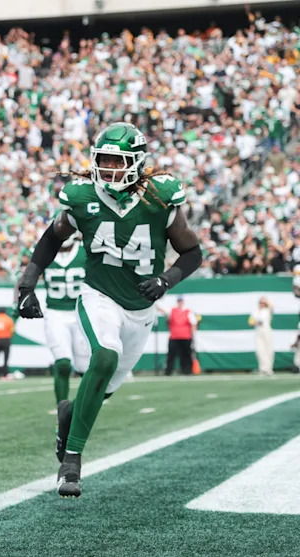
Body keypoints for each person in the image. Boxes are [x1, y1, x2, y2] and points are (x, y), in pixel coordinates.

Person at [17, 122, 202, 498]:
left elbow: (192, 252)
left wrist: (166, 280)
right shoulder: (82, 196)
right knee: (103, 356)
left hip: (141, 309)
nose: (108, 169)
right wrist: (27, 283)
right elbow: (52, 238)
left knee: (102, 389)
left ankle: (69, 414)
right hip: (98, 294)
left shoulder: (160, 197)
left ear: (135, 163)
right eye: (103, 160)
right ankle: (71, 462)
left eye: (117, 162)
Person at [42, 234, 88, 403]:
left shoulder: (86, 252)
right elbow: (24, 274)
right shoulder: (44, 251)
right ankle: (61, 411)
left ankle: (82, 410)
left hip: (82, 313)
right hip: (55, 313)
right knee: (62, 363)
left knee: (86, 368)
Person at [162, 296, 197, 375]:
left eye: (181, 301)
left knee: (186, 355)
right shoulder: (172, 310)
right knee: (171, 355)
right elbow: (164, 311)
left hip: (186, 337)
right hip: (174, 337)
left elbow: (194, 323)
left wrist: (191, 334)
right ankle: (168, 372)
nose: (180, 303)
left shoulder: (188, 311)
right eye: (179, 301)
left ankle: (187, 371)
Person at [249, 297, 274, 376]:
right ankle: (262, 368)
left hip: (266, 330)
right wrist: (256, 323)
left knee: (268, 349)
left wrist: (266, 300)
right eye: (260, 302)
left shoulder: (267, 311)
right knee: (259, 350)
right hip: (258, 330)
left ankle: (268, 368)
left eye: (263, 303)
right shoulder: (255, 312)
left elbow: (272, 307)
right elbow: (250, 322)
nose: (262, 304)